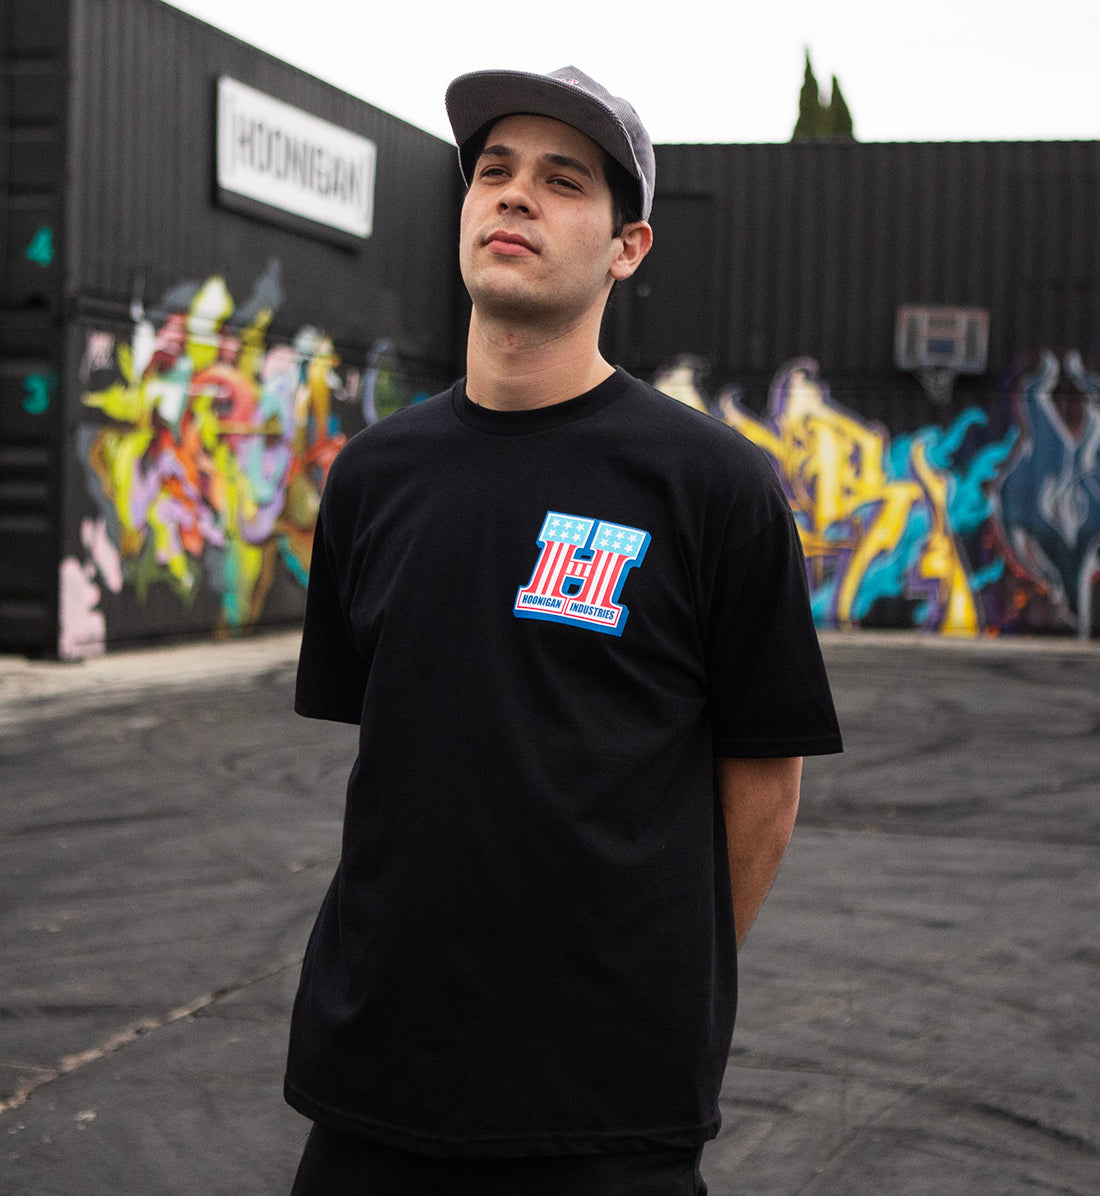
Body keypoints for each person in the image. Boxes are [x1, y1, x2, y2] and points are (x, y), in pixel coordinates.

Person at [286, 65, 843, 1195]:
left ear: (627, 246)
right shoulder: (372, 475)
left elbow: (764, 789)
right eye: (491, 171)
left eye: (561, 180)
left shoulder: (712, 486)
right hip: (372, 1076)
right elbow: (396, 755)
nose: (513, 196)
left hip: (604, 1108)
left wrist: (645, 981)